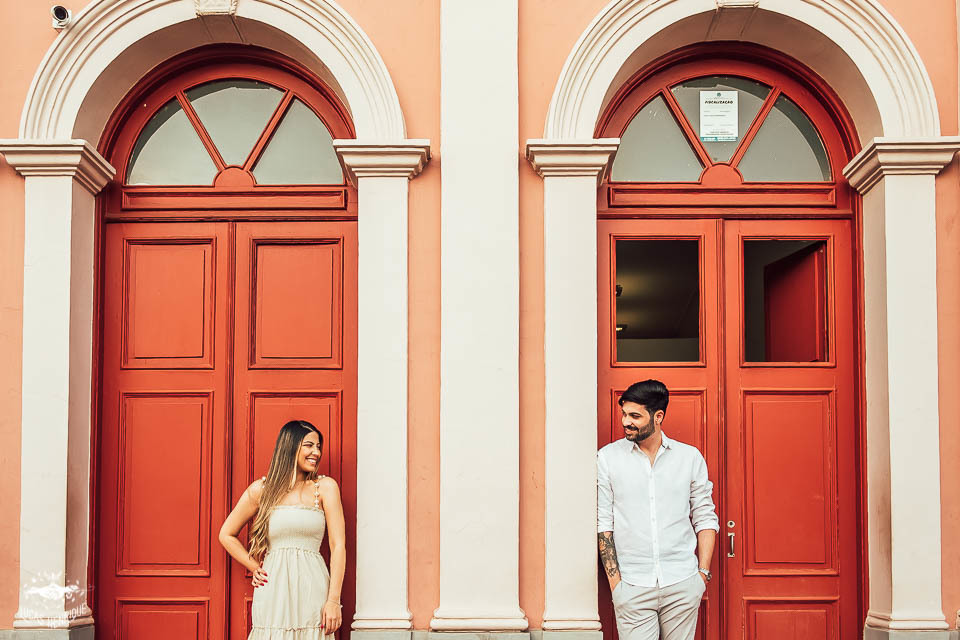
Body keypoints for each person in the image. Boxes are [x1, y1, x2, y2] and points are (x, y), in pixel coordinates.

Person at [597, 379, 719, 640]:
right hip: (632, 585)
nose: (625, 422)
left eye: (635, 416)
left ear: (658, 416)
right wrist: (617, 586)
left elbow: (705, 516)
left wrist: (702, 576)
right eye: (624, 414)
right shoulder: (608, 458)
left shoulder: (689, 458)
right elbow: (603, 523)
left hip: (682, 581)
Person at [219, 420, 346, 639]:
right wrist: (252, 565)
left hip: (312, 588)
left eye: (318, 447)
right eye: (309, 445)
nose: (316, 452)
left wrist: (333, 600)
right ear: (290, 446)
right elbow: (226, 534)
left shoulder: (325, 488)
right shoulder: (261, 490)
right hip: (273, 589)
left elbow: (338, 545)